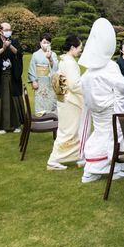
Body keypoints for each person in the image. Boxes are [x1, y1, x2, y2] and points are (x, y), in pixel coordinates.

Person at [78, 18, 124, 183]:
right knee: (111, 136)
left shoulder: (89, 71)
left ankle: (102, 169)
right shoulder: (110, 66)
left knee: (102, 134)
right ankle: (105, 168)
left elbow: (84, 87)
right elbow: (121, 86)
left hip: (96, 109)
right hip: (110, 109)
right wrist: (120, 107)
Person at [46, 35, 84, 170]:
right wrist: (89, 89)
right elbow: (74, 85)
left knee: (71, 130)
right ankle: (54, 159)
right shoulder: (70, 62)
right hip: (70, 101)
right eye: (79, 47)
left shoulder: (65, 60)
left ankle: (78, 155)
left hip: (65, 99)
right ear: (72, 47)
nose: (80, 50)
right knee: (68, 131)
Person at [0, 22, 24, 134]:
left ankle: (16, 124)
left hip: (13, 76)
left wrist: (10, 46)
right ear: (0, 31)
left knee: (14, 98)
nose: (9, 32)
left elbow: (19, 54)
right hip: (0, 77)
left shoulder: (15, 42)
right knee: (2, 99)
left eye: (10, 30)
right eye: (6, 30)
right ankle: (1, 127)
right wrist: (3, 48)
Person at [27, 33, 59, 115]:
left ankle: (51, 117)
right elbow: (32, 68)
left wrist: (50, 58)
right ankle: (40, 117)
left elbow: (55, 68)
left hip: (50, 81)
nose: (46, 44)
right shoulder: (35, 55)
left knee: (51, 101)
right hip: (39, 81)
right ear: (40, 43)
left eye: (48, 42)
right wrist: (33, 81)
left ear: (50, 44)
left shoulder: (53, 54)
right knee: (40, 100)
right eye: (44, 42)